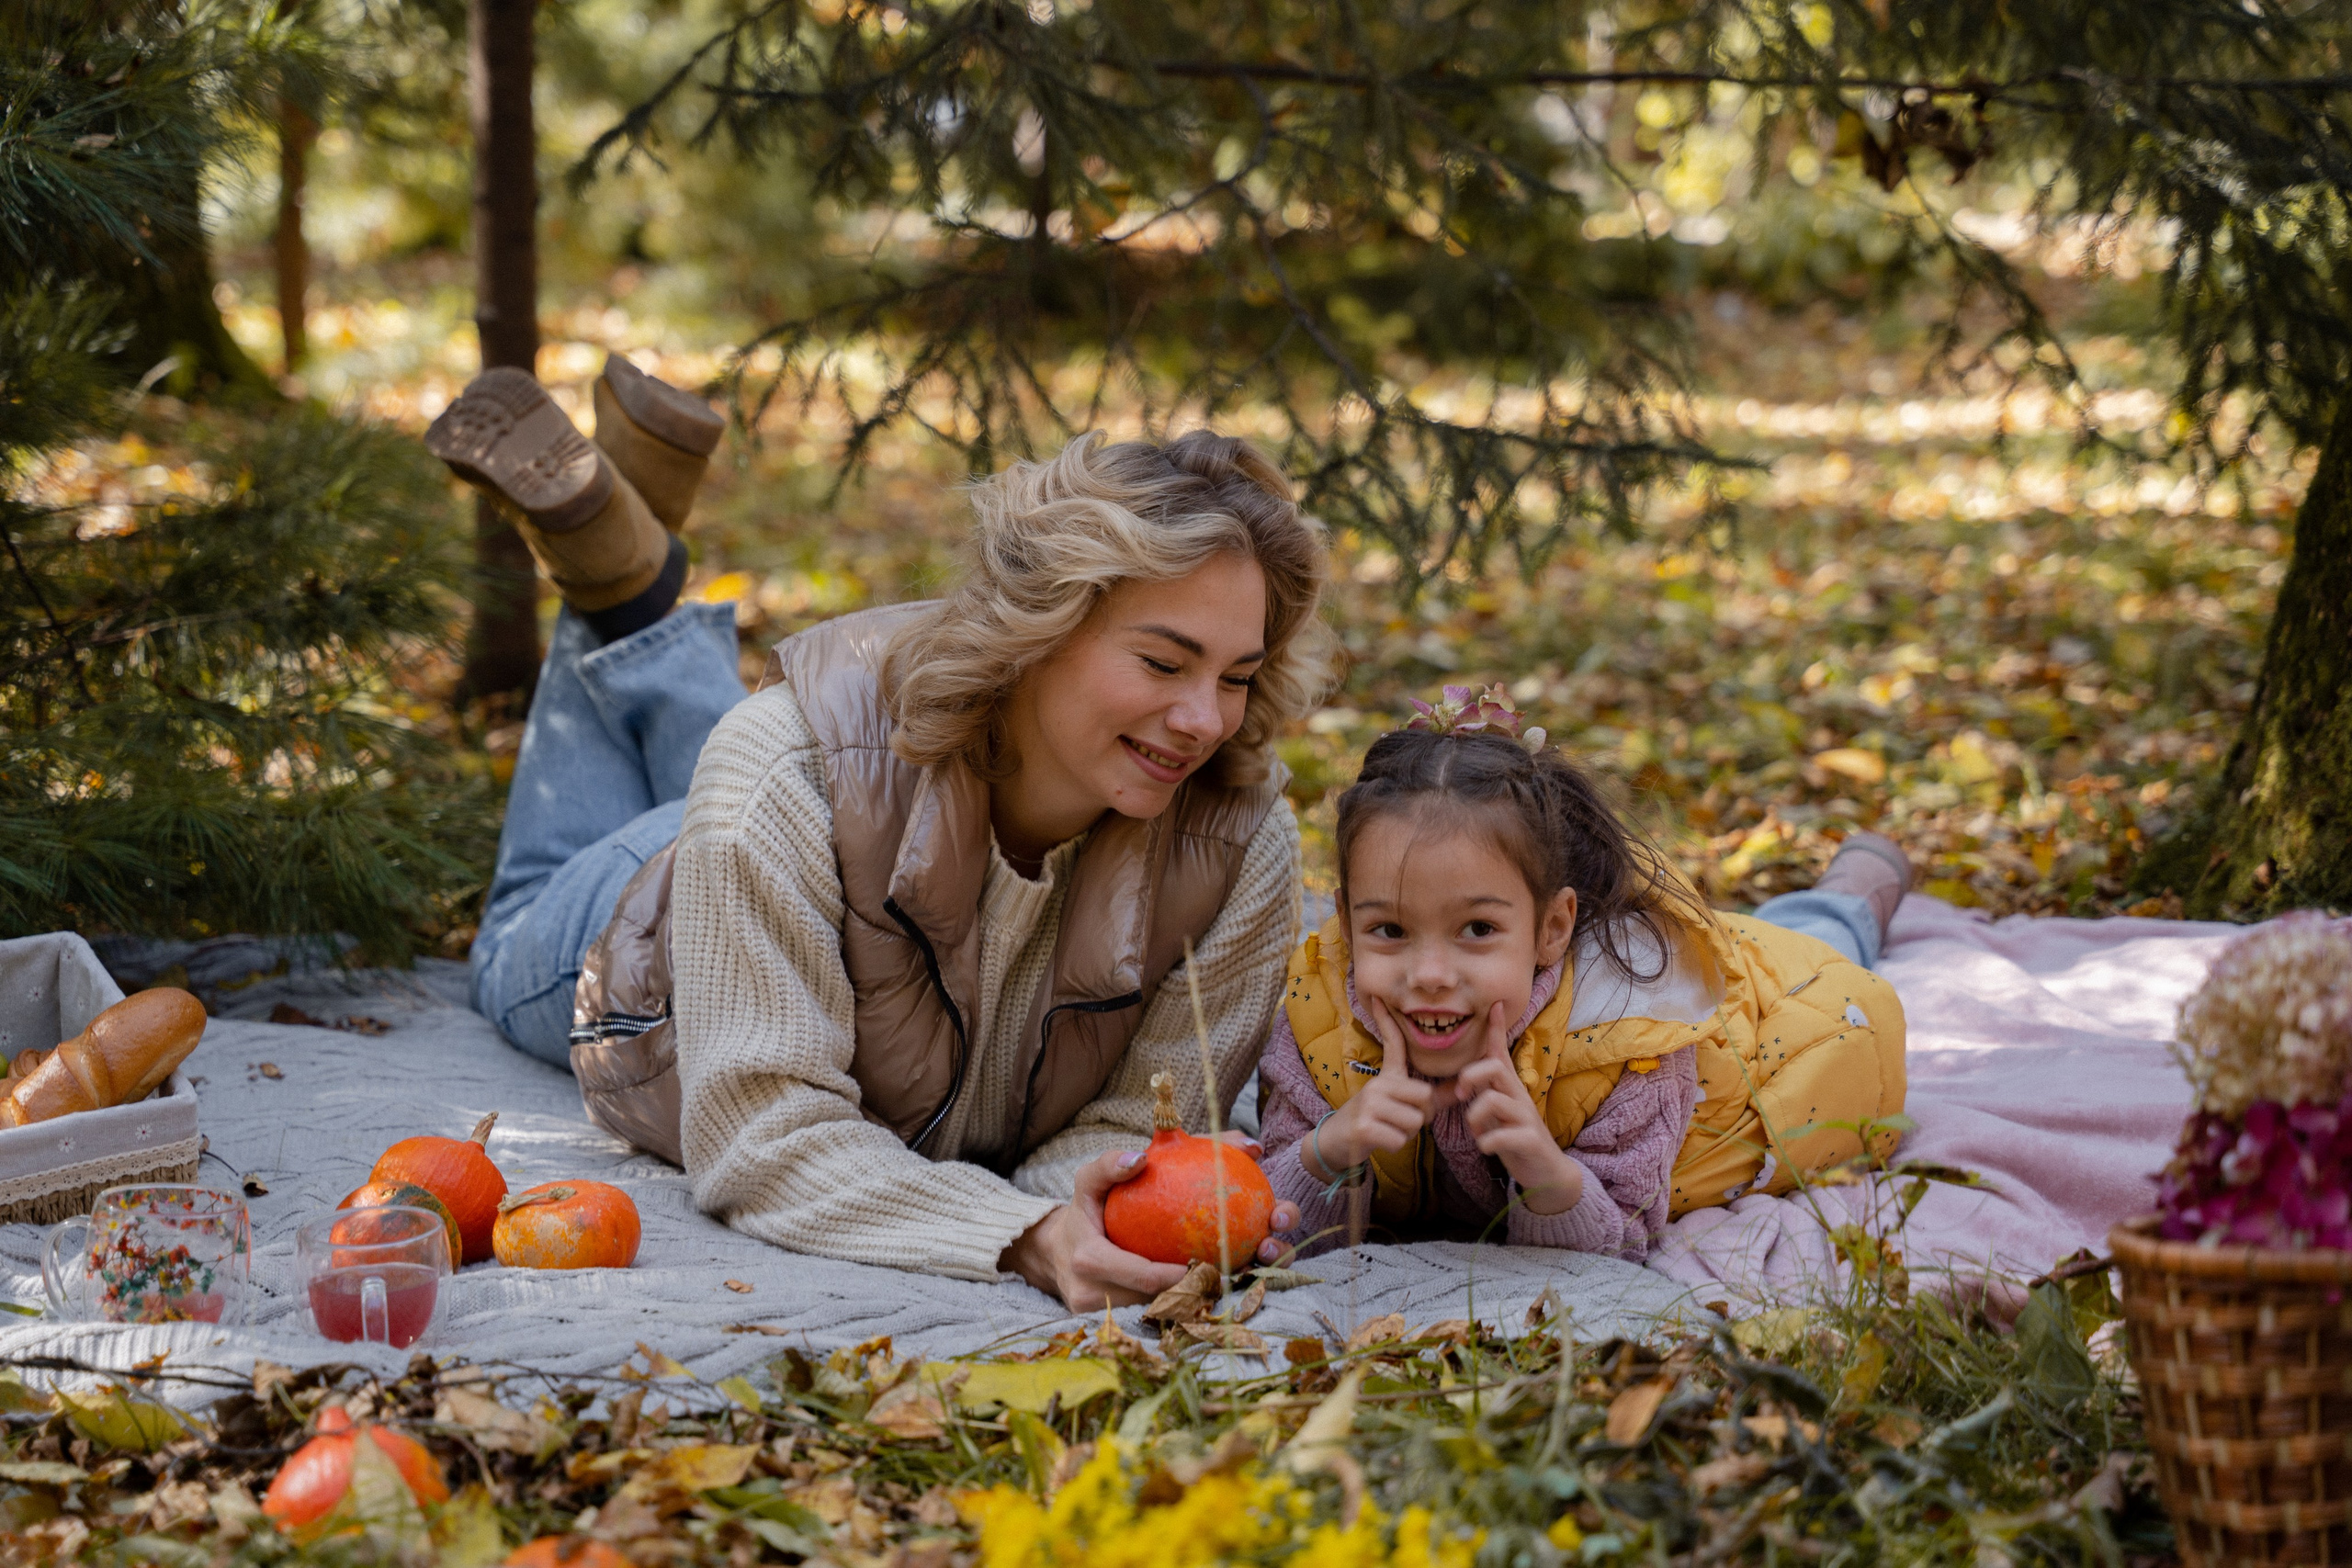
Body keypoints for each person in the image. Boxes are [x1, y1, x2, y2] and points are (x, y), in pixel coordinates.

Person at [426, 361, 1331, 1311]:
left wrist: (1091, 1203)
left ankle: (618, 555)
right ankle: (613, 584)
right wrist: (1012, 1236)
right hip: (652, 922)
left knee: (790, 763)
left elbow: (1132, 1137)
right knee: (512, 934)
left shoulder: (1240, 843)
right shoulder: (783, 777)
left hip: (832, 806)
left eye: (1236, 676)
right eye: (1162, 661)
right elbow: (765, 1135)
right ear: (1041, 625)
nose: (1203, 720)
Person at [1259, 688, 1911, 1261]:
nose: (1429, 975)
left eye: (1478, 930)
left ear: (1551, 927)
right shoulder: (1320, 1017)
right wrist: (1328, 1148)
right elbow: (1279, 1222)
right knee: (1756, 932)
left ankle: (1861, 884)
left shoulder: (1630, 1038)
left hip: (1787, 1034)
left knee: (1819, 949)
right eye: (1390, 931)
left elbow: (1622, 1234)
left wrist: (1548, 1174)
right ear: (1345, 921)